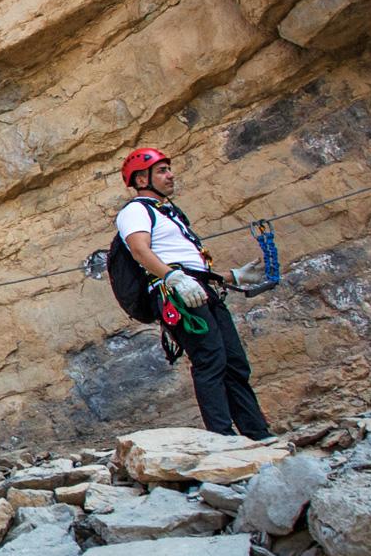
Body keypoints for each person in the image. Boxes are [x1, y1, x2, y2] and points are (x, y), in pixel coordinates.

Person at [117, 147, 273, 439]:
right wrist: (173, 277)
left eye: (169, 169)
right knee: (210, 359)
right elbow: (140, 250)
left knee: (234, 361)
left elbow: (193, 266)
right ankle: (222, 438)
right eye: (161, 170)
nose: (170, 175)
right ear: (141, 180)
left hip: (198, 287)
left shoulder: (171, 215)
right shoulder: (135, 211)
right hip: (176, 291)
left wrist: (232, 277)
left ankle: (258, 434)